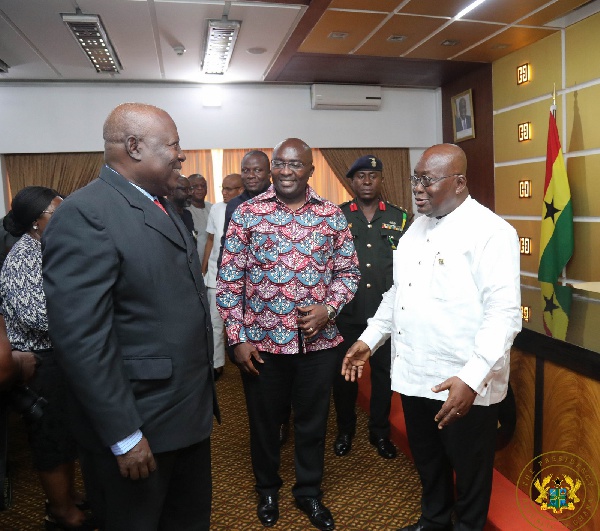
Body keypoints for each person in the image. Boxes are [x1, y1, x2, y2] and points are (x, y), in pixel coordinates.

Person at [42, 103, 219, 531]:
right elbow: (83, 340)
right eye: (174, 145)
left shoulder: (163, 205)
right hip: (139, 426)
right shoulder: (86, 214)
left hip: (185, 416)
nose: (181, 154)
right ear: (134, 147)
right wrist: (124, 435)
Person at [342, 144, 521, 531]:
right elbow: (397, 294)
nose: (417, 189)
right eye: (415, 179)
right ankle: (434, 520)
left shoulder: (492, 232)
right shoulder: (414, 229)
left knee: (470, 472)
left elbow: (504, 316)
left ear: (459, 182)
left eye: (428, 180)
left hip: (461, 382)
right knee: (428, 460)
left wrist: (472, 378)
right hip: (414, 375)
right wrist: (369, 339)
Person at [217, 138, 360, 531]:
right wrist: (237, 338)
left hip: (318, 347)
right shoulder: (246, 214)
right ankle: (267, 489)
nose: (285, 171)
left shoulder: (331, 216)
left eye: (295, 165)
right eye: (279, 163)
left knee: (312, 423)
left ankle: (308, 493)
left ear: (310, 170)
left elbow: (350, 274)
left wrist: (328, 308)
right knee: (264, 424)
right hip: (261, 346)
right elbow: (228, 282)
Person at [0, 186, 92, 530]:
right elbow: (40, 317)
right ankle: (61, 511)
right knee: (51, 439)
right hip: (41, 363)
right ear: (35, 223)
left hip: (64, 357)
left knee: (68, 434)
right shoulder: (22, 258)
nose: (66, 216)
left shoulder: (54, 247)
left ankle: (69, 496)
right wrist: (92, 318)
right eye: (57, 212)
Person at [332, 155, 408, 460]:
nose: (367, 181)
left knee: (383, 377)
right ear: (351, 181)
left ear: (381, 181)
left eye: (373, 176)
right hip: (347, 312)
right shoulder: (336, 217)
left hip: (385, 314)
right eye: (361, 176)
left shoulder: (400, 218)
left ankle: (379, 432)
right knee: (345, 376)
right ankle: (345, 430)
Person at [201, 172, 243, 380]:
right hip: (215, 276)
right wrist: (204, 270)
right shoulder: (216, 209)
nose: (224, 193)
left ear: (241, 190)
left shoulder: (247, 209)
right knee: (215, 323)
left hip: (242, 279)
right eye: (223, 188)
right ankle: (217, 364)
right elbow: (210, 240)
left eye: (229, 189)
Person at [217, 150, 272, 269]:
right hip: (242, 279)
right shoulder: (234, 205)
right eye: (245, 170)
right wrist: (221, 275)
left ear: (269, 173)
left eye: (257, 170)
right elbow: (227, 244)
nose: (251, 175)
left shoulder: (281, 201)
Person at [187, 174, 212, 264]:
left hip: (213, 264)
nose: (200, 188)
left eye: (203, 186)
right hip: (195, 263)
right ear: (188, 190)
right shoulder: (185, 212)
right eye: (195, 186)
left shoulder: (212, 208)